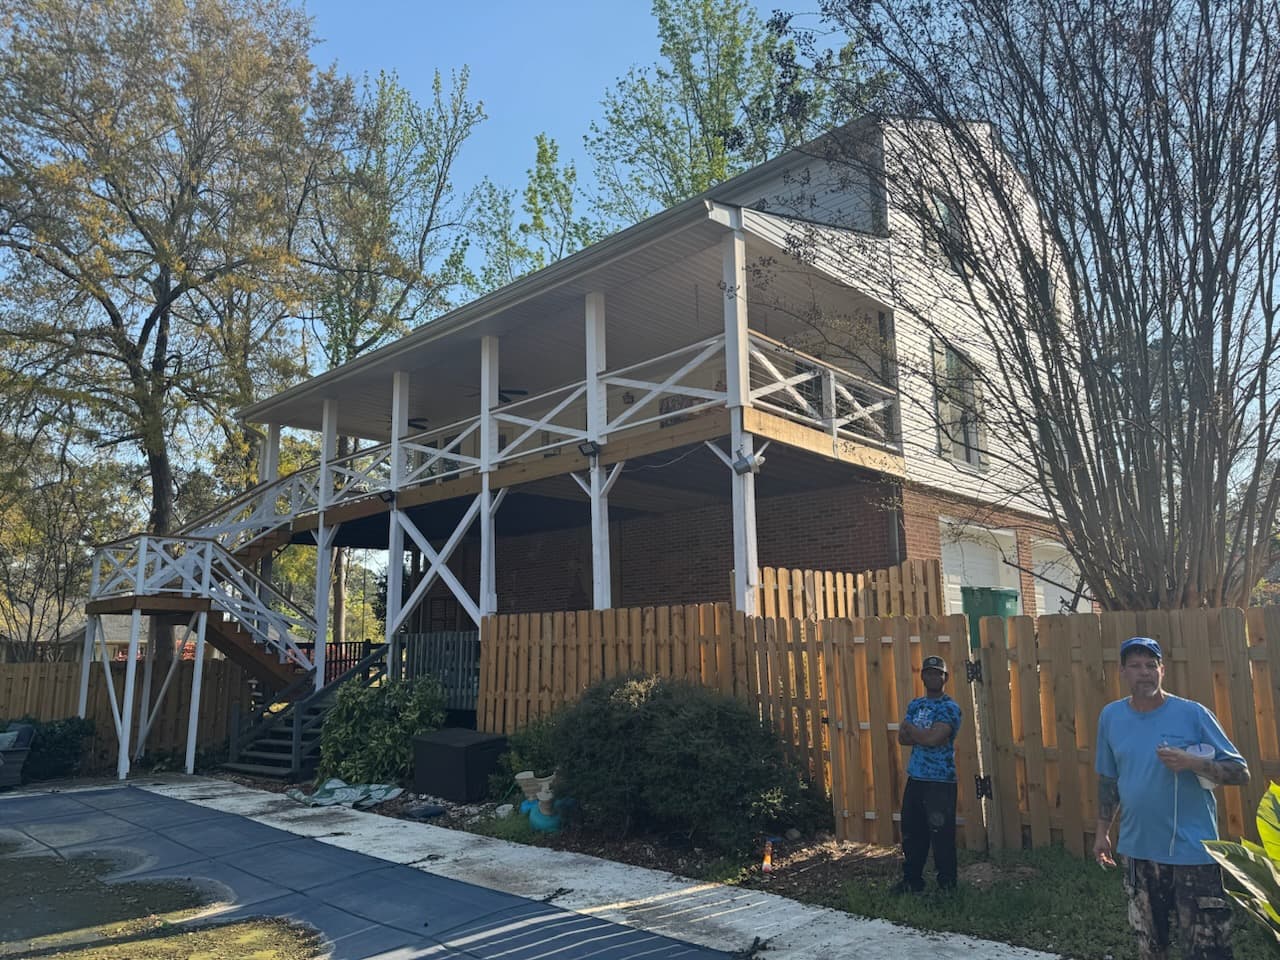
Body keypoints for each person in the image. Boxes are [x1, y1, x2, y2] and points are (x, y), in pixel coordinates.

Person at [1094, 636, 1250, 960]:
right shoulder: (1111, 717)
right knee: (1151, 947)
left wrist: (1194, 763)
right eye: (1136, 666)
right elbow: (1109, 779)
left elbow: (1240, 772)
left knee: (1209, 949)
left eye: (1151, 665)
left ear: (1162, 670)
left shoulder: (1193, 714)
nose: (1145, 673)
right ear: (1123, 672)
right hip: (1138, 852)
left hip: (1193, 853)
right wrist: (1102, 833)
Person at [893, 654, 961, 893]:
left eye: (938, 673)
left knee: (942, 837)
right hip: (916, 778)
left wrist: (913, 730)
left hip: (940, 782)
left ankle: (947, 887)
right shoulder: (916, 704)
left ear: (945, 678)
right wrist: (918, 733)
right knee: (912, 834)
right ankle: (912, 881)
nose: (933, 677)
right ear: (922, 676)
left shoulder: (949, 708)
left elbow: (934, 739)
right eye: (929, 672)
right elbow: (902, 739)